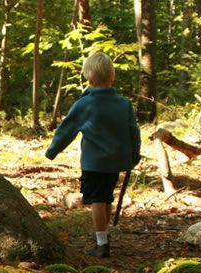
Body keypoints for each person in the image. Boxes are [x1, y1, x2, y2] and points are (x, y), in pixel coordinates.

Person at [45, 52, 141, 258]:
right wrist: (134, 154)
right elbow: (134, 130)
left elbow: (66, 130)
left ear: (89, 77)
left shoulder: (84, 104)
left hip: (94, 163)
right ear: (111, 76)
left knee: (97, 199)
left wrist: (52, 151)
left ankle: (102, 242)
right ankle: (102, 235)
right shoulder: (124, 104)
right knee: (106, 197)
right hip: (116, 161)